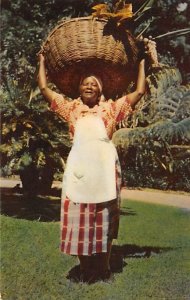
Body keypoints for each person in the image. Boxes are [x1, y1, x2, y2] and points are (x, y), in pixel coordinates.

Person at [38, 38, 158, 283]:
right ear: (79, 89)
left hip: (104, 169)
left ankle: (103, 269)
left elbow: (139, 91)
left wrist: (142, 62)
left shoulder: (112, 109)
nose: (89, 86)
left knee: (104, 217)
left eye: (94, 84)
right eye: (85, 83)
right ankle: (84, 269)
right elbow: (44, 89)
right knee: (78, 214)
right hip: (79, 169)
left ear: (101, 89)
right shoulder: (70, 108)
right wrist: (41, 61)